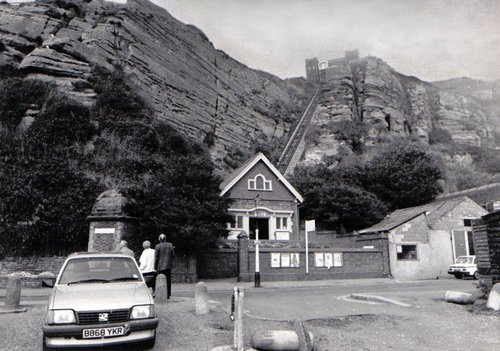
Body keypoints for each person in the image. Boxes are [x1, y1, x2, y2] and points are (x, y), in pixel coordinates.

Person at [155, 234, 174, 299]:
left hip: (160, 266)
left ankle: (162, 294)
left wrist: (155, 267)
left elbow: (156, 257)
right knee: (168, 280)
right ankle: (168, 294)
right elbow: (173, 255)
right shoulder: (170, 245)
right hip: (168, 265)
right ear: (165, 239)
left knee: (161, 279)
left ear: (159, 239)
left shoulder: (157, 246)